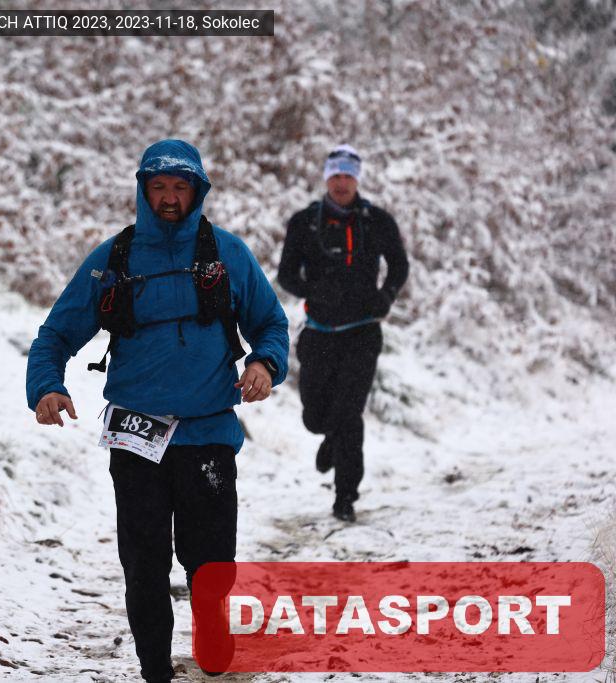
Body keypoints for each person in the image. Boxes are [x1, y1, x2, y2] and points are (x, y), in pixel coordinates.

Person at [26, 139, 289, 683]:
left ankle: (211, 629)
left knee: (211, 560)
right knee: (143, 562)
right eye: (160, 187)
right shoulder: (114, 259)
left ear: (197, 191)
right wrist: (47, 387)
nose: (170, 197)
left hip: (208, 433)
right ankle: (154, 668)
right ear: (144, 191)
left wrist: (265, 364)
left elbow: (270, 324)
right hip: (136, 436)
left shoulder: (228, 254)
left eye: (180, 187)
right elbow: (55, 334)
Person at [276, 144, 409, 523]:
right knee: (315, 418)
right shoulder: (305, 223)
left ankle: (345, 496)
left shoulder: (377, 221)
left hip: (362, 333)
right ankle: (329, 437)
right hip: (319, 332)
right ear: (326, 178)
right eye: (335, 175)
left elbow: (399, 265)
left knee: (350, 414)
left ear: (357, 179)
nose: (341, 182)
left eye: (348, 175)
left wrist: (386, 295)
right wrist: (314, 290)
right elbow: (287, 275)